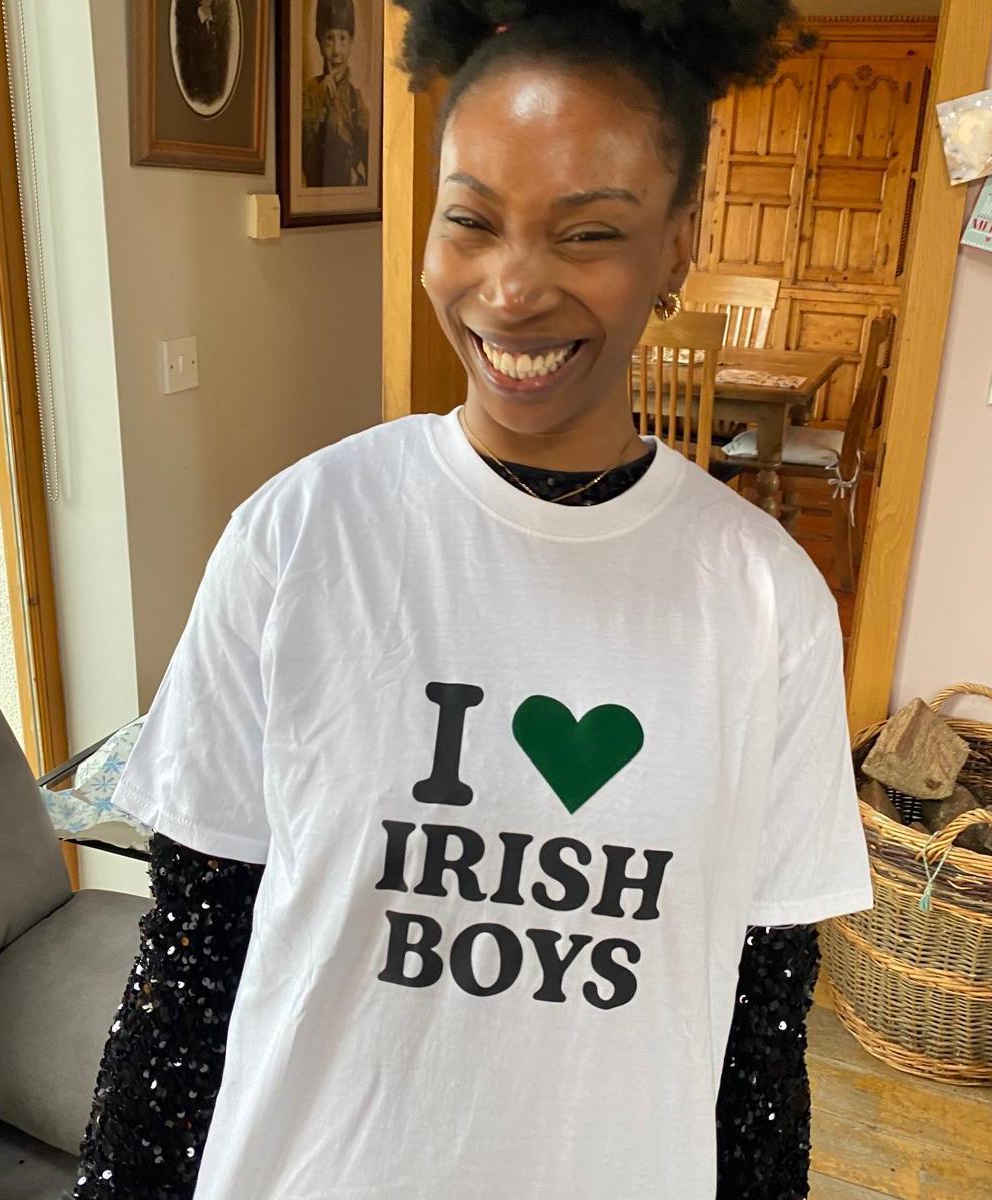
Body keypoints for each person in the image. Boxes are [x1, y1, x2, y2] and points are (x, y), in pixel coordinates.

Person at [71, 3, 873, 1197]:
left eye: (587, 234)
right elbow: (190, 966)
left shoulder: (767, 603)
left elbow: (759, 1034)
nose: (511, 288)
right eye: (472, 220)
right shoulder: (297, 538)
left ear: (677, 247)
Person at [301, 0, 370, 187]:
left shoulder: (356, 100)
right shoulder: (309, 94)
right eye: (329, 39)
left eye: (343, 38)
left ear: (351, 42)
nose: (336, 51)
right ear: (320, 43)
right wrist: (321, 102)